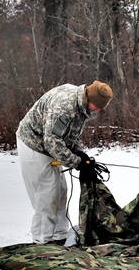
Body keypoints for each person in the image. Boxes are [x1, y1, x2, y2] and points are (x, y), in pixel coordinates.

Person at [16, 80, 113, 245]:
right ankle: (42, 240)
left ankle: (60, 236)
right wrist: (76, 162)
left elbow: (69, 135)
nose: (98, 111)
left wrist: (81, 155)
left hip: (50, 145)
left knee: (61, 190)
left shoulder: (81, 106)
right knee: (47, 194)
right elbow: (52, 140)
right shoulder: (65, 105)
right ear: (90, 99)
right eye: (97, 107)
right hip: (34, 144)